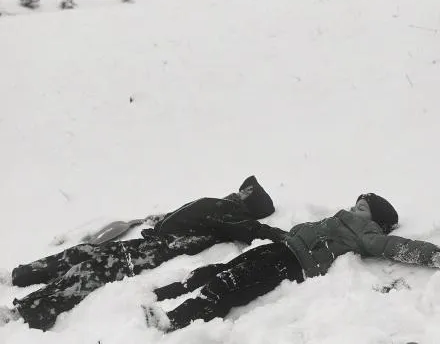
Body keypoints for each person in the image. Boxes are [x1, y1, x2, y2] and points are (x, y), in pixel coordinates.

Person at [0, 176, 280, 331]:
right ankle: (19, 275)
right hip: (150, 240)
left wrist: (283, 236)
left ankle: (27, 313)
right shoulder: (221, 204)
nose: (241, 191)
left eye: (247, 192)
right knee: (82, 253)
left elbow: (252, 230)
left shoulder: (230, 212)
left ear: (250, 203)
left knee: (91, 270)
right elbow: (184, 216)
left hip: (154, 251)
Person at [144, 193, 440, 332]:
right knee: (220, 269)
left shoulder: (367, 233)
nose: (352, 208)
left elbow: (399, 247)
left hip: (292, 264)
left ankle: (177, 318)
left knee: (232, 283)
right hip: (281, 248)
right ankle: (165, 292)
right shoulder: (340, 220)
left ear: (377, 221)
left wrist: (435, 255)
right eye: (355, 204)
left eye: (361, 208)